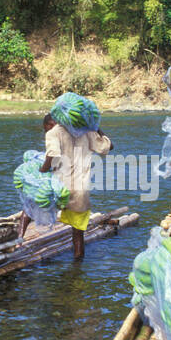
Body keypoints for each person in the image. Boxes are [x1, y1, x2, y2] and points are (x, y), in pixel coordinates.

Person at [43, 108, 112, 261]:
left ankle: (20, 238)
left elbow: (52, 155)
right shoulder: (86, 133)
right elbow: (109, 147)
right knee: (78, 232)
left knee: (31, 205)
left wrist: (41, 170)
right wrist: (95, 128)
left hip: (59, 189)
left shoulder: (53, 132)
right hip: (80, 190)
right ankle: (78, 265)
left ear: (52, 123)